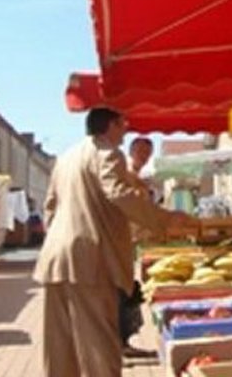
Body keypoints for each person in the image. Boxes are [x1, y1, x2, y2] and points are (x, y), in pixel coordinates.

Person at [34, 107, 195, 377]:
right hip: (90, 259)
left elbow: (50, 206)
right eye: (123, 125)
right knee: (99, 344)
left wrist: (61, 237)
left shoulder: (66, 158)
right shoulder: (107, 153)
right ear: (110, 125)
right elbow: (119, 194)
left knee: (60, 346)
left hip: (55, 258)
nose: (126, 130)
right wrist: (165, 219)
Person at [120, 134, 156, 358]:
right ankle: (121, 343)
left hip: (132, 243)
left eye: (147, 153)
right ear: (131, 151)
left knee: (128, 291)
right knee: (124, 292)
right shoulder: (125, 175)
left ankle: (123, 341)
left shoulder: (139, 178)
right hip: (120, 242)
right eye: (140, 151)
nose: (143, 156)